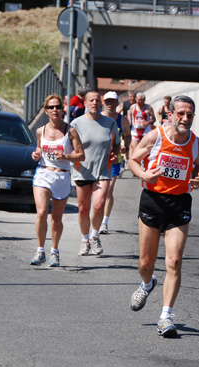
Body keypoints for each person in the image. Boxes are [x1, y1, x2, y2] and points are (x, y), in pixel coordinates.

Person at [127, 95, 199, 338]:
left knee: (174, 261)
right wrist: (144, 174)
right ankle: (147, 284)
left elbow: (197, 165)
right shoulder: (155, 136)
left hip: (179, 203)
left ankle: (166, 316)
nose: (184, 118)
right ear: (170, 114)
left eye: (189, 114)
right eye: (180, 113)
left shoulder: (197, 143)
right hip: (152, 201)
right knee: (145, 263)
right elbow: (132, 160)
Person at [30, 95, 84, 267]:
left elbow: (81, 155)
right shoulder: (41, 130)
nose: (55, 110)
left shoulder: (71, 131)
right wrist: (36, 153)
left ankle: (54, 251)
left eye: (58, 107)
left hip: (61, 176)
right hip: (43, 174)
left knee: (56, 219)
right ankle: (40, 251)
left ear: (63, 110)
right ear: (46, 110)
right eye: (51, 107)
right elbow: (39, 146)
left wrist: (66, 156)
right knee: (41, 212)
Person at [71, 91, 121, 256]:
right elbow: (69, 146)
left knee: (99, 205)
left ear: (101, 103)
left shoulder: (110, 123)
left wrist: (114, 154)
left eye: (97, 100)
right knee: (83, 208)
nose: (94, 103)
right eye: (91, 100)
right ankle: (84, 240)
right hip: (82, 171)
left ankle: (95, 235)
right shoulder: (76, 123)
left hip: (103, 170)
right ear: (85, 103)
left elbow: (116, 144)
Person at [100, 91, 131, 234]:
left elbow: (128, 136)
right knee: (98, 192)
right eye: (107, 101)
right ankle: (97, 217)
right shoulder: (98, 118)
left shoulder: (123, 120)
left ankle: (104, 222)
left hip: (115, 158)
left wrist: (125, 146)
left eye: (113, 101)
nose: (110, 104)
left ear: (117, 103)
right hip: (98, 158)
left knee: (108, 190)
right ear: (103, 103)